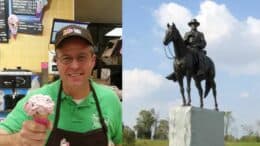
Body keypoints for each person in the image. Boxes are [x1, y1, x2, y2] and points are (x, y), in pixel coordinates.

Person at [0, 25, 122, 146]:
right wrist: (16, 140)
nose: (75, 66)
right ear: (57, 62)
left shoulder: (110, 100)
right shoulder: (36, 101)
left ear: (93, 61)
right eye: (66, 58)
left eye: (82, 57)